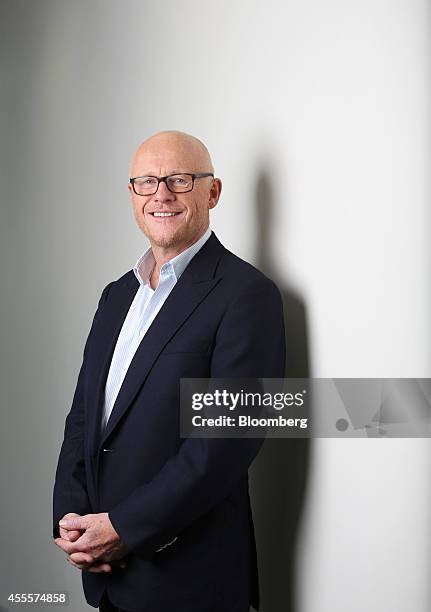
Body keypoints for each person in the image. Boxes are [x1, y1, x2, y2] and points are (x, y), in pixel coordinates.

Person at [52, 131, 286, 612]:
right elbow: (84, 418)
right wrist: (71, 518)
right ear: (133, 194)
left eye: (180, 180)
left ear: (212, 192)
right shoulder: (117, 296)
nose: (162, 194)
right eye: (147, 182)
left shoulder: (246, 295)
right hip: (109, 577)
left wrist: (123, 528)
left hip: (188, 582)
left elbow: (222, 447)